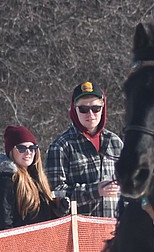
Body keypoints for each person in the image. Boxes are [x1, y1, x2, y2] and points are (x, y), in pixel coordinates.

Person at [45, 81, 123, 218]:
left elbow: (130, 184)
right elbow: (55, 194)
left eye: (96, 108)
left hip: (115, 229)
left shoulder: (115, 142)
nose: (90, 114)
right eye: (83, 109)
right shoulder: (61, 146)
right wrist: (95, 190)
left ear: (103, 108)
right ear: (74, 110)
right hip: (79, 232)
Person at [0, 125, 68, 230]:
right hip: (21, 244)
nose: (28, 152)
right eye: (22, 148)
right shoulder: (5, 181)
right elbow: (3, 226)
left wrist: (56, 211)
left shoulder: (37, 179)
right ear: (11, 151)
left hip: (43, 242)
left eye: (32, 148)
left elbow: (40, 219)